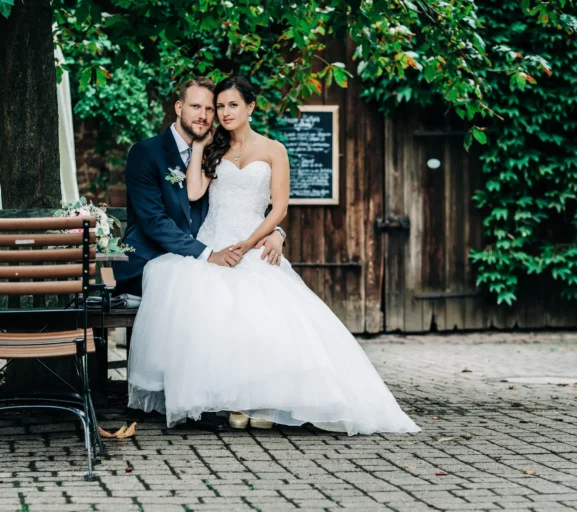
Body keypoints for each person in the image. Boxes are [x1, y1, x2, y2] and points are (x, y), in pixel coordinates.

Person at [127, 76, 420, 436]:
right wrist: (203, 145)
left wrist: (267, 237)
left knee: (264, 313)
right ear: (181, 108)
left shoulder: (274, 149)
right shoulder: (209, 148)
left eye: (228, 105)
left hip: (249, 242)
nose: (219, 113)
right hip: (212, 242)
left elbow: (278, 207)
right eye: (217, 107)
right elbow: (192, 197)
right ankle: (230, 400)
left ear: (251, 107)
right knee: (215, 310)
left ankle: (264, 399)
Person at [115, 77, 285, 431]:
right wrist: (208, 254)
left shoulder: (216, 149)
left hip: (218, 249)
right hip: (154, 259)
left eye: (213, 108)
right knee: (202, 291)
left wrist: (278, 233)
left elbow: (250, 205)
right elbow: (155, 222)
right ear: (179, 108)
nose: (208, 114)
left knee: (248, 292)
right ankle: (202, 399)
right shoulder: (147, 153)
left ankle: (241, 393)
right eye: (199, 106)